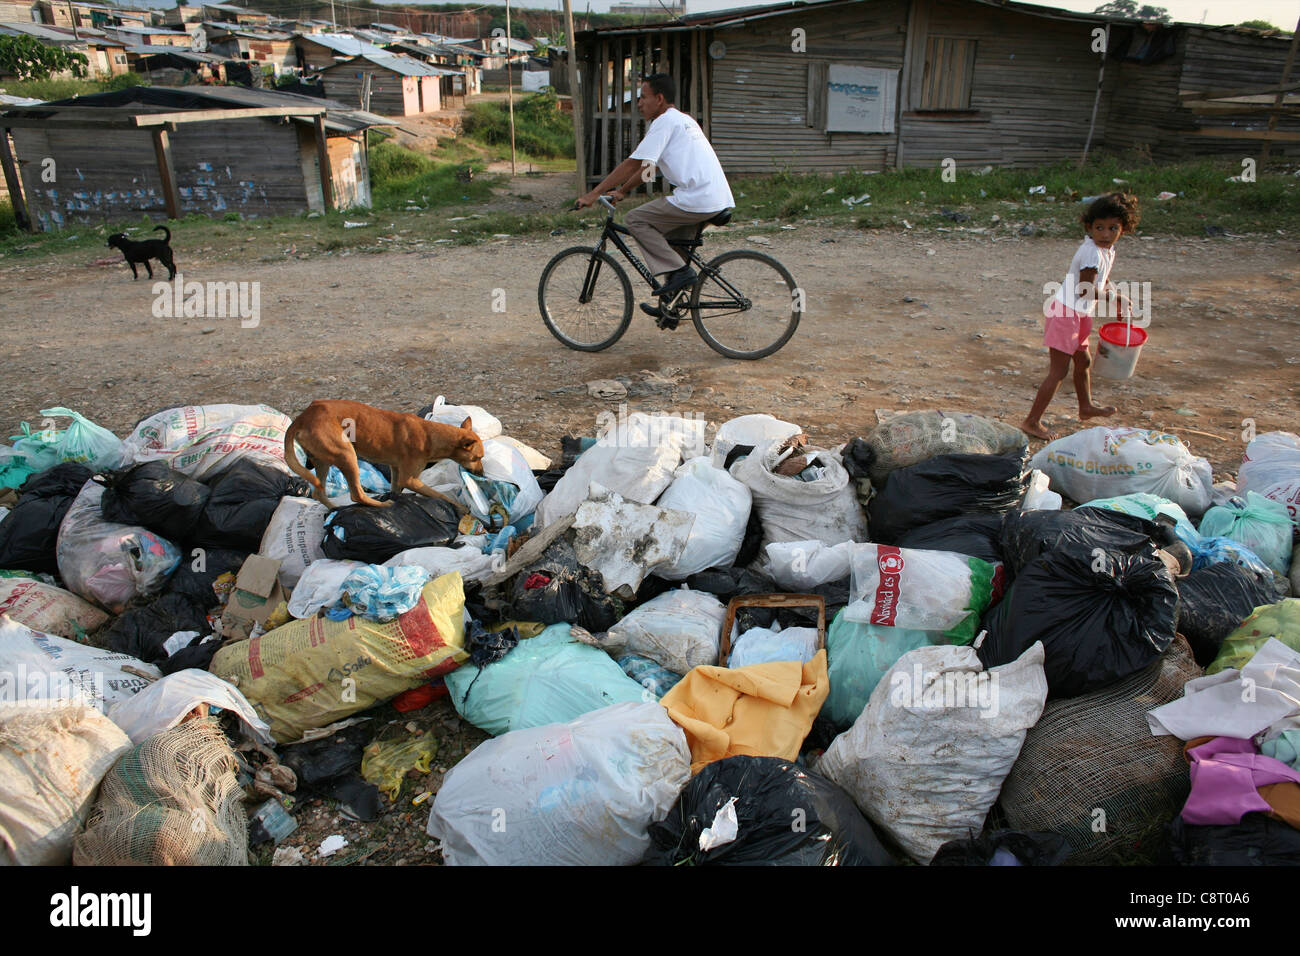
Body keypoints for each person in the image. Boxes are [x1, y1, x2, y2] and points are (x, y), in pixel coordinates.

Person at [576, 73, 735, 322]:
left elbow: (632, 163)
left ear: (659, 99)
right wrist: (623, 190)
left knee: (636, 219)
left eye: (643, 97)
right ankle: (670, 307)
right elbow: (651, 168)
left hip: (697, 198)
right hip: (715, 197)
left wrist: (593, 193)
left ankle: (682, 275)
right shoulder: (683, 120)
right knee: (673, 243)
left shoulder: (664, 123)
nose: (639, 103)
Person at [1021, 192, 1141, 441]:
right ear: (1089, 227)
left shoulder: (1107, 251)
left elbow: (1102, 283)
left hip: (1080, 313)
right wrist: (1115, 299)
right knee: (1058, 371)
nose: (1105, 234)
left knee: (1083, 362)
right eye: (1099, 227)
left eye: (1112, 228)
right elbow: (1085, 289)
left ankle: (1085, 407)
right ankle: (1031, 421)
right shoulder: (1092, 253)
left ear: (1124, 229)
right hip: (1066, 313)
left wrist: (1116, 296)